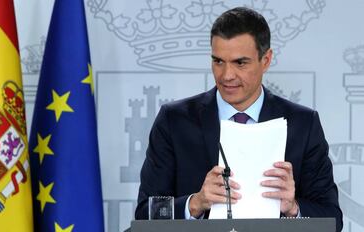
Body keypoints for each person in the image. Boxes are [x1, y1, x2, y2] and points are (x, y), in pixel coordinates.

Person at [135, 6, 343, 231]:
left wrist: (293, 208)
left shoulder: (302, 124)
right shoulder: (175, 121)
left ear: (266, 59)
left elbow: (332, 220)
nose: (226, 75)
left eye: (240, 63)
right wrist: (195, 203)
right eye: (218, 61)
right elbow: (145, 213)